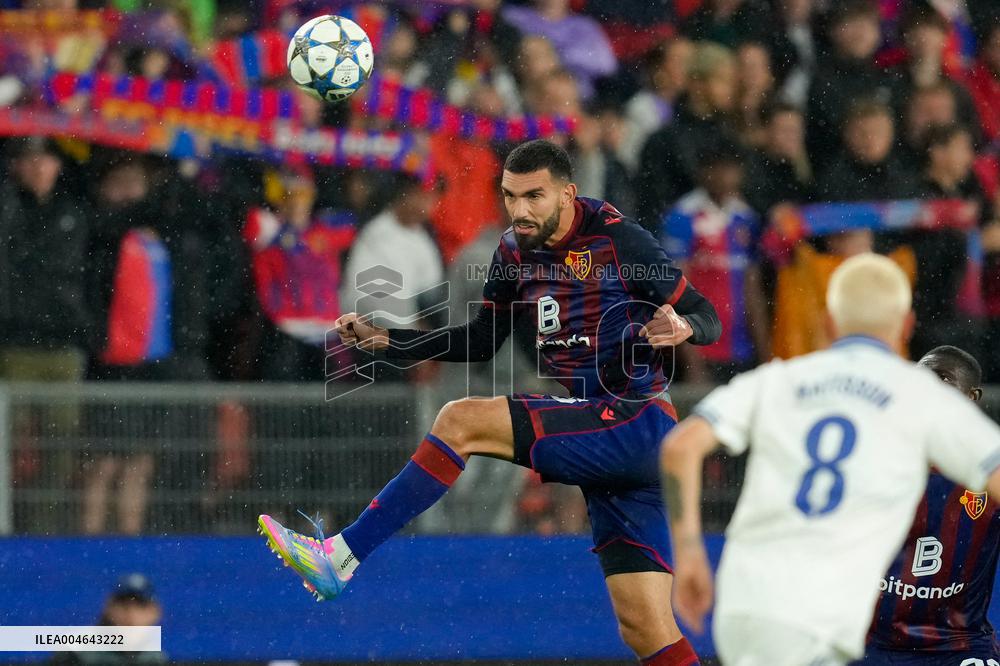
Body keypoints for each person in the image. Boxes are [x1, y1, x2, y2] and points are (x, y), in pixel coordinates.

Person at [260, 140, 721, 665]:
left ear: (567, 194)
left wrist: (683, 326)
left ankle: (339, 557)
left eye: (534, 197)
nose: (520, 210)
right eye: (510, 196)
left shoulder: (618, 239)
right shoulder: (511, 253)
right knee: (645, 628)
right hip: (608, 444)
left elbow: (707, 315)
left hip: (636, 422)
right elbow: (481, 340)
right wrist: (391, 342)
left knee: (461, 419)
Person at [659, 253, 1000, 666]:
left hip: (753, 601)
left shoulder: (778, 379)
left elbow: (680, 447)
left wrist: (690, 552)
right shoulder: (915, 398)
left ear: (828, 323)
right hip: (830, 620)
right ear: (905, 327)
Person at [861, 346, 999, 664]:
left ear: (972, 397)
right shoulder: (871, 457)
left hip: (959, 646)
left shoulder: (992, 470)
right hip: (869, 646)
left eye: (942, 378)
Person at [661, 143, 768, 382]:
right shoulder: (682, 217)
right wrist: (691, 361)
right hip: (701, 351)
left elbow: (753, 292)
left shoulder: (746, 219)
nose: (725, 176)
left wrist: (764, 355)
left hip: (741, 350)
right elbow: (675, 291)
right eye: (717, 168)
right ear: (702, 172)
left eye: (731, 169)